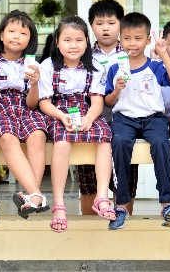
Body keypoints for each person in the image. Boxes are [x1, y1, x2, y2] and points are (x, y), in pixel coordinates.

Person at [104, 13, 170, 230]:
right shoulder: (115, 68)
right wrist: (117, 89)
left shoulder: (155, 66)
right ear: (120, 40)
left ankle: (167, 203)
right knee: (119, 142)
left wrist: (164, 54)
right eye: (127, 38)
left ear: (148, 40)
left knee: (160, 143)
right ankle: (121, 204)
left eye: (138, 38)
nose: (132, 43)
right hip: (124, 118)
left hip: (153, 118)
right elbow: (108, 101)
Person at [38, 16, 115, 232]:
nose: (74, 45)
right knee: (62, 142)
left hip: (86, 110)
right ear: (57, 42)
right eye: (67, 40)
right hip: (58, 111)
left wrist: (89, 118)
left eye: (79, 40)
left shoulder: (94, 66)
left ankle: (102, 197)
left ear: (87, 42)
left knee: (105, 138)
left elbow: (97, 101)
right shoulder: (48, 66)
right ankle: (59, 204)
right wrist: (62, 116)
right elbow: (44, 102)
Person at [0, 10, 49, 218]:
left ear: (30, 39)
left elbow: (32, 103)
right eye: (11, 31)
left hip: (25, 108)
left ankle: (31, 197)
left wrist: (34, 84)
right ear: (1, 35)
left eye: (23, 33)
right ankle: (36, 194)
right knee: (7, 137)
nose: (16, 36)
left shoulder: (32, 64)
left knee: (38, 134)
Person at [79, 0, 139, 215]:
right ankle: (89, 229)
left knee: (126, 177)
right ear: (91, 26)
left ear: (121, 24)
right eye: (99, 23)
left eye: (111, 23)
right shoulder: (84, 54)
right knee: (88, 180)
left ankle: (123, 224)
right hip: (92, 122)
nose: (105, 28)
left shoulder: (131, 53)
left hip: (126, 121)